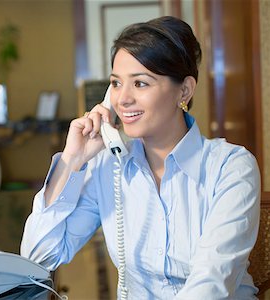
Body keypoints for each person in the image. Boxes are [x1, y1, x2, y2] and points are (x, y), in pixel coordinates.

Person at [20, 16, 260, 299]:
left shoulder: (231, 167)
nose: (123, 100)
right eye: (116, 84)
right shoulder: (110, 166)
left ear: (184, 90)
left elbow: (210, 285)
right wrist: (72, 160)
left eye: (141, 83)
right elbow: (39, 257)